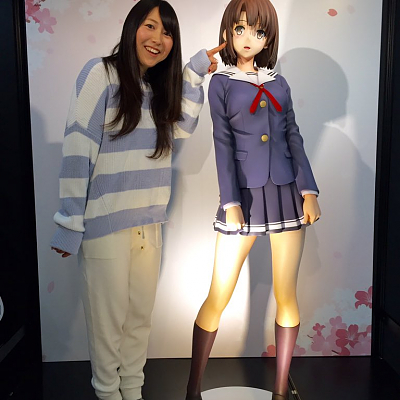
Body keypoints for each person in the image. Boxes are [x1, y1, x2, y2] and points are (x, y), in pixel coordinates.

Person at [50, 1, 224, 399]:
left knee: (138, 324)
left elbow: (182, 128)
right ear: (132, 28)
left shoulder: (158, 88)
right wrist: (69, 221)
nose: (158, 38)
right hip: (105, 227)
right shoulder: (100, 73)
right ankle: (108, 393)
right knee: (108, 328)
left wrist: (194, 73)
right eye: (150, 26)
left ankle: (133, 391)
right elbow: (78, 145)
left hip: (149, 225)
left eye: (168, 32)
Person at [185, 1, 321, 399]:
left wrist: (309, 190)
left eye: (258, 32)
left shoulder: (279, 83)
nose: (248, 38)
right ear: (228, 31)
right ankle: (193, 389)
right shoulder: (221, 83)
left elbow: (293, 135)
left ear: (268, 39)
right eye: (240, 29)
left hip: (285, 193)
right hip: (242, 196)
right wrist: (230, 201)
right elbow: (222, 143)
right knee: (218, 293)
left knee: (286, 294)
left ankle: (280, 391)